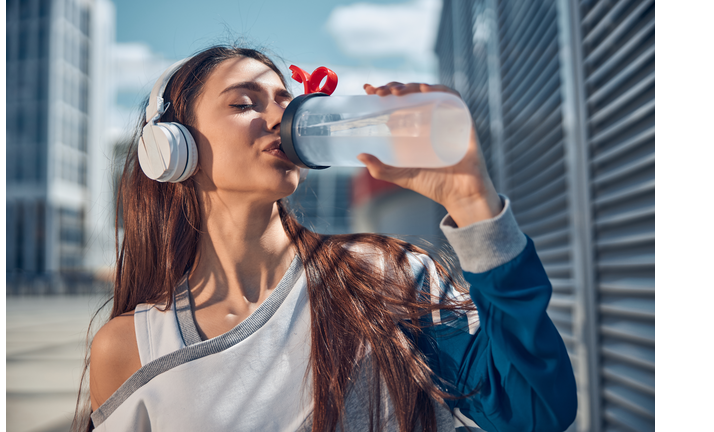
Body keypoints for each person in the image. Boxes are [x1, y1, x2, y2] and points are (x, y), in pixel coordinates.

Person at [74, 45, 577, 432]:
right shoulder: (130, 346)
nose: (279, 119)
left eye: (285, 102)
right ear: (171, 147)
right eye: (245, 103)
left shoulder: (384, 278)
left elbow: (534, 410)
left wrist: (472, 203)